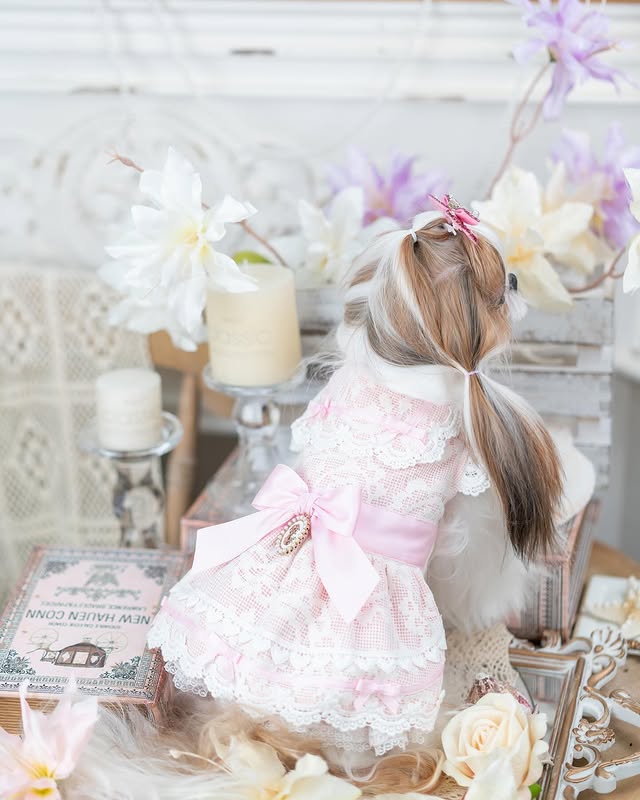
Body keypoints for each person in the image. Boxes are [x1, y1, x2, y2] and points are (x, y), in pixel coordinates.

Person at [148, 196, 561, 756]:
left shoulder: (345, 386)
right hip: (366, 608)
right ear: (460, 325)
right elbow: (456, 549)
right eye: (498, 295)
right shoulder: (452, 423)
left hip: (277, 568)